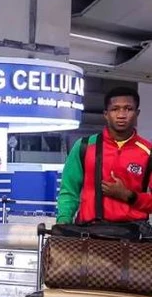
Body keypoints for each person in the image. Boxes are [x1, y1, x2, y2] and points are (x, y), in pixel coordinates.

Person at [57, 86, 152, 225]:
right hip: (89, 234)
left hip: (134, 236)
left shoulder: (148, 152)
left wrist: (128, 195)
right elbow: (69, 191)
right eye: (115, 109)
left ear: (137, 113)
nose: (121, 115)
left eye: (128, 109)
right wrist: (63, 221)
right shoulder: (84, 146)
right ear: (106, 114)